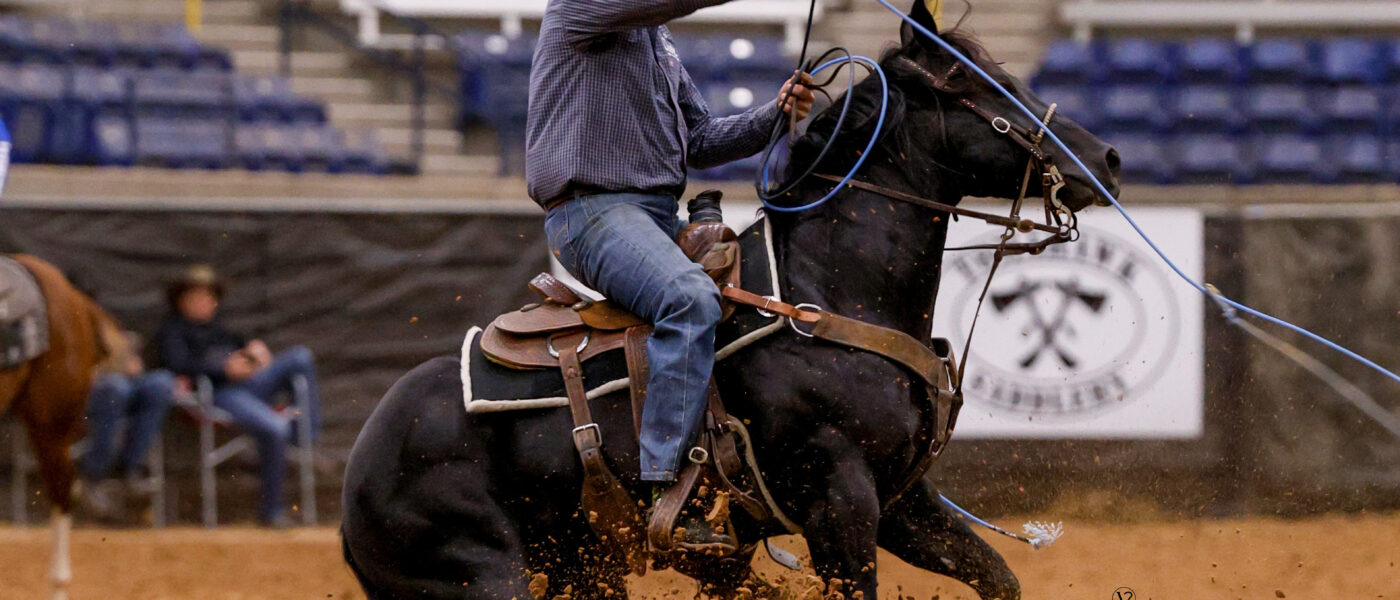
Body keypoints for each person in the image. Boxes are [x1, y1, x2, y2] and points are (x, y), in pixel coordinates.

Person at [525, 1, 815, 541]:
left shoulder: (656, 38)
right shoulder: (580, 6)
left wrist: (776, 113)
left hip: (654, 217)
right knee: (689, 299)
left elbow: (701, 139)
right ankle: (663, 489)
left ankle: (734, 477)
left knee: (747, 315)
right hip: (592, 213)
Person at [155, 265, 322, 527]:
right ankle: (271, 511)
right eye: (196, 296)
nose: (204, 302)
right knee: (274, 430)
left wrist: (256, 354)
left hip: (250, 386)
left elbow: (242, 351)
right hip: (218, 394)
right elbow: (177, 366)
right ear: (181, 300)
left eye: (209, 296)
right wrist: (223, 369)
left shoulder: (220, 328)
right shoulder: (173, 331)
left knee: (300, 357)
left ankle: (305, 434)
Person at [79, 331, 176, 522]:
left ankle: (129, 469)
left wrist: (133, 364)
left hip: (129, 385)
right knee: (116, 388)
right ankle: (93, 476)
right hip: (91, 390)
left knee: (161, 383)